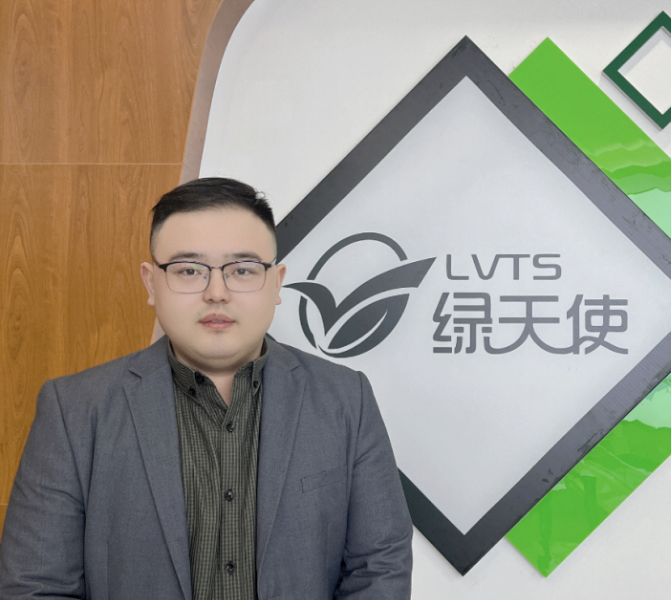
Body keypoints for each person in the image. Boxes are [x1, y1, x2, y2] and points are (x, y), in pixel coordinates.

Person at [0, 177, 413, 599]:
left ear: (276, 282)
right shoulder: (74, 410)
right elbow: (36, 585)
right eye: (189, 270)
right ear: (151, 283)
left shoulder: (345, 399)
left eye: (243, 270)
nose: (217, 293)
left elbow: (379, 567)